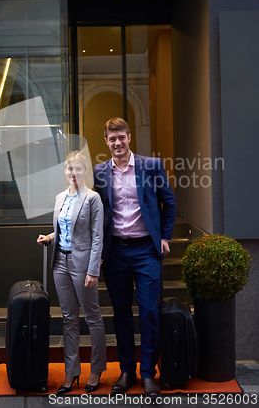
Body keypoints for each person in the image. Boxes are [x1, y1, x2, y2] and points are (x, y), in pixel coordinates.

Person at [94, 118, 176, 399]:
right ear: (106, 142)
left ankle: (148, 374)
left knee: (149, 312)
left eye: (121, 137)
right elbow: (97, 210)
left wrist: (164, 237)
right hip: (115, 252)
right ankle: (127, 371)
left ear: (130, 138)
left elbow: (169, 201)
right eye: (112, 139)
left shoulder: (150, 166)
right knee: (121, 314)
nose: (117, 143)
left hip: (145, 251)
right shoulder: (100, 172)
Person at [37, 151, 106, 394]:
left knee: (93, 318)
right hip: (60, 263)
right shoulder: (60, 198)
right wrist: (50, 236)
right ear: (65, 172)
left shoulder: (92, 198)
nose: (73, 173)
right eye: (69, 169)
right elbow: (64, 229)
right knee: (68, 319)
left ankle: (96, 370)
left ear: (85, 171)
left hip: (83, 264)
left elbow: (97, 236)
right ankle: (71, 372)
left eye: (78, 169)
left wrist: (93, 269)